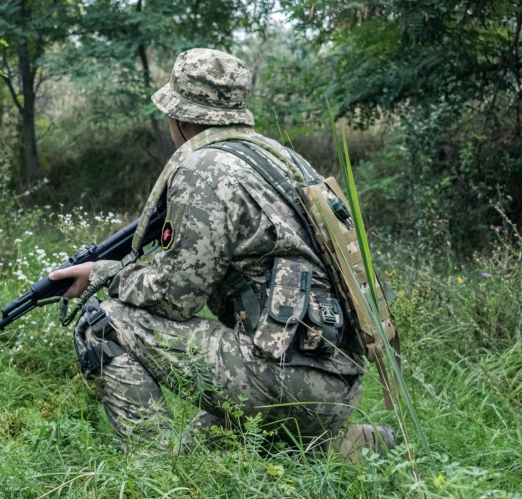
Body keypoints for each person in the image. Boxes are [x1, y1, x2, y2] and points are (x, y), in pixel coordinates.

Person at [49, 49, 393, 458]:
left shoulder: (203, 168)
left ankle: (153, 474)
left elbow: (175, 297)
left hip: (283, 375)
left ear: (178, 118)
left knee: (102, 323)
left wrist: (106, 274)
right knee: (205, 446)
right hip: (337, 379)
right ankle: (366, 444)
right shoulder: (282, 159)